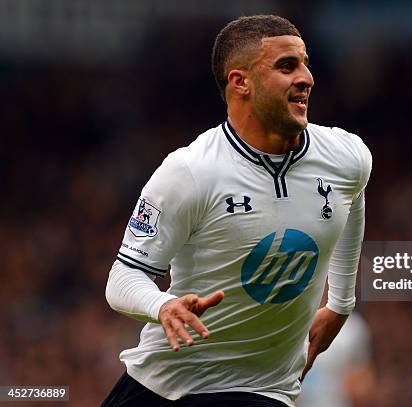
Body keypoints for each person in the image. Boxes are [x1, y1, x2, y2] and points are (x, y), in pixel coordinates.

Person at [103, 14, 371, 407]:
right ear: (240, 82)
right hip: (166, 384)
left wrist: (341, 303)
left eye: (305, 63)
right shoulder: (191, 172)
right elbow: (123, 277)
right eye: (286, 66)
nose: (306, 78)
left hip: (262, 391)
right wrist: (163, 306)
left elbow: (353, 196)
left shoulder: (346, 157)